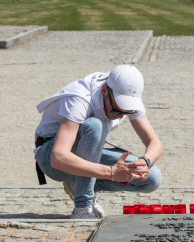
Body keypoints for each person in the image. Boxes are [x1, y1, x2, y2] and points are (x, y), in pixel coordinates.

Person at [34, 64, 163, 218]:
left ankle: (78, 184)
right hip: (50, 157)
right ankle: (83, 207)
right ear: (104, 91)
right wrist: (112, 173)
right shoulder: (80, 99)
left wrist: (145, 162)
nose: (120, 116)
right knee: (95, 125)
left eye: (126, 112)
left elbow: (155, 143)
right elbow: (58, 158)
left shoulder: (128, 92)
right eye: (117, 110)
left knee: (152, 178)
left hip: (84, 153)